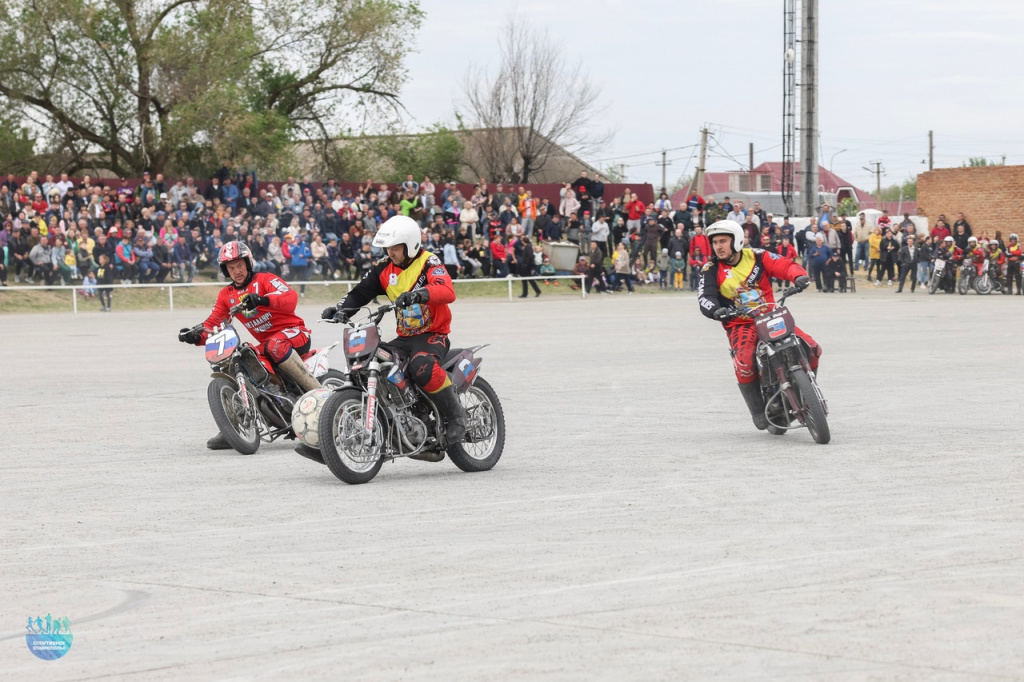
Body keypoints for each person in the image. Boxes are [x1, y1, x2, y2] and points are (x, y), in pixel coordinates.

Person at [321, 215, 466, 458]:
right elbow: (359, 293)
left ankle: (456, 417)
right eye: (387, 248)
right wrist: (339, 309)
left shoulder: (429, 262)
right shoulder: (383, 268)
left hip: (433, 334)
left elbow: (446, 290)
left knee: (422, 366)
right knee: (377, 360)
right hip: (405, 337)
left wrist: (419, 294)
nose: (391, 253)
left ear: (410, 245)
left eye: (395, 248)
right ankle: (403, 419)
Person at [178, 241, 321, 450]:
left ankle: (324, 399)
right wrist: (195, 336)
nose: (236, 271)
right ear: (225, 270)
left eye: (239, 265)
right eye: (231, 267)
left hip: (294, 333)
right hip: (267, 344)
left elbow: (290, 298)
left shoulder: (265, 279)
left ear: (248, 262)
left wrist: (262, 300)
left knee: (274, 344)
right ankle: (234, 424)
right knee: (243, 355)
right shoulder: (226, 295)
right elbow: (213, 323)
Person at [697, 220, 818, 431]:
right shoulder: (710, 269)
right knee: (744, 363)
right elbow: (705, 298)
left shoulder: (758, 256)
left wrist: (799, 277)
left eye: (723, 241)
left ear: (736, 241)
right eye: (715, 242)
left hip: (771, 315)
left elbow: (785, 265)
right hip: (740, 323)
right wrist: (716, 310)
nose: (718, 246)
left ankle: (809, 392)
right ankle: (758, 411)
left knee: (813, 348)